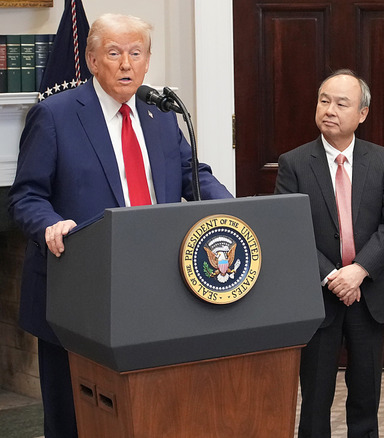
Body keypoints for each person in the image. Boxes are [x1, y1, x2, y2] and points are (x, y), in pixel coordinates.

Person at [8, 13, 232, 438]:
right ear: (93, 60)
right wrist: (51, 225)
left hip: (154, 288)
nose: (126, 64)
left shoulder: (161, 116)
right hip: (78, 290)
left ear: (148, 61)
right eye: (114, 54)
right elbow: (26, 196)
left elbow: (193, 175)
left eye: (136, 53)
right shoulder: (55, 115)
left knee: (146, 411)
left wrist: (234, 211)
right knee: (75, 418)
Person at [275, 69, 384, 437]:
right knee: (315, 399)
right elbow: (289, 230)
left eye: (341, 103)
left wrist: (359, 270)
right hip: (319, 297)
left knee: (366, 395)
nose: (329, 109)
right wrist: (334, 276)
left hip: (369, 295)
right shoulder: (294, 163)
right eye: (324, 100)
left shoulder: (381, 160)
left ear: (362, 113)